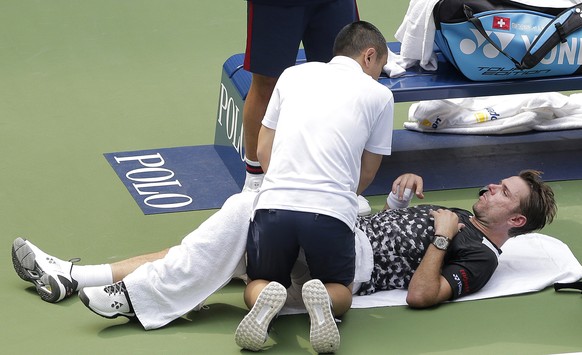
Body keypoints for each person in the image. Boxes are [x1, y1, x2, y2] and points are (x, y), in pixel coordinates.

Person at [11, 171, 556, 347]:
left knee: (250, 204)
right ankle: (75, 277)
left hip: (350, 257)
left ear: (515, 222)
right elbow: (387, 224)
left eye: (504, 193)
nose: (490, 187)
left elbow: (419, 294)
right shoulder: (459, 211)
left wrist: (440, 238)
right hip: (344, 235)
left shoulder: (478, 255)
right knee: (206, 253)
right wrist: (398, 200)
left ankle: (122, 291)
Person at [236, 20, 392, 353]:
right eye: (381, 66)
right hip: (330, 212)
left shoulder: (292, 75)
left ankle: (264, 298)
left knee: (257, 281)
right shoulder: (380, 95)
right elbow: (368, 169)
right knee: (341, 289)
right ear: (369, 56)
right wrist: (341, 194)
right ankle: (323, 304)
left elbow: (264, 149)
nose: (380, 74)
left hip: (273, 205)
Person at [241, 0, 358, 193]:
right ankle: (255, 178)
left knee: (341, 79)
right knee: (267, 83)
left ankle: (341, 180)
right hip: (276, 6)